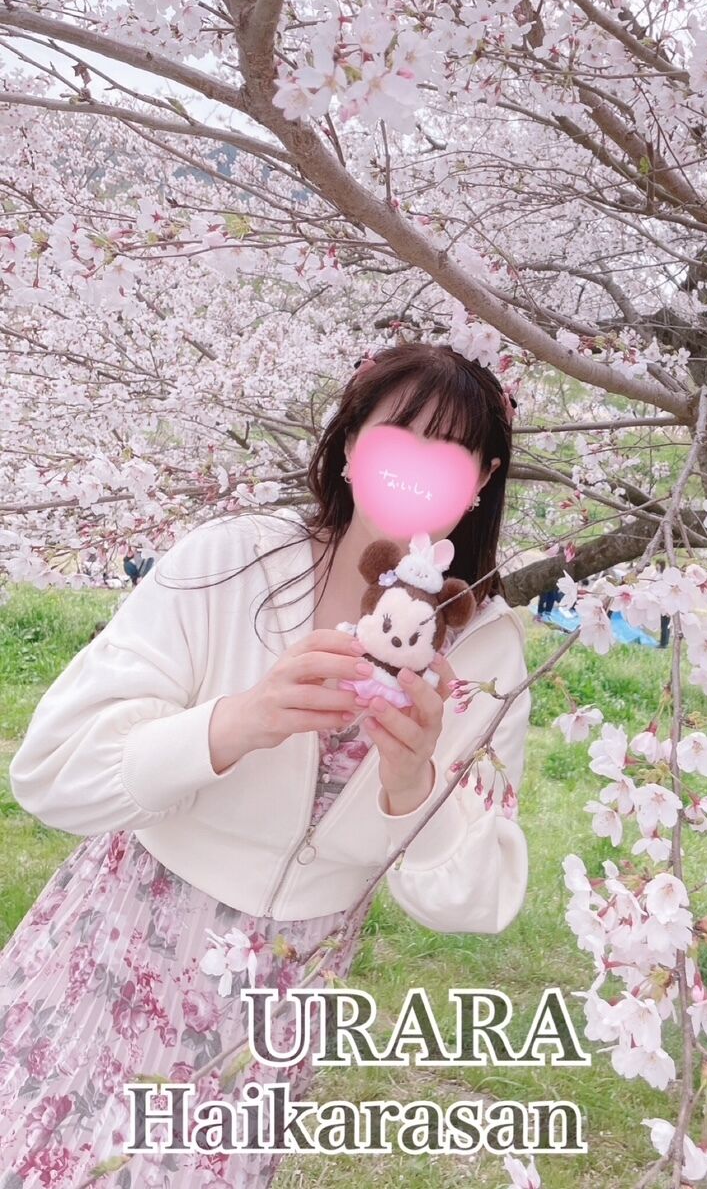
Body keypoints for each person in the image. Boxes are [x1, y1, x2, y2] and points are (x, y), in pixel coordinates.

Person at [0, 342, 531, 1185]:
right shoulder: (232, 560)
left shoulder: (488, 651)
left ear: (482, 478)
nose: (417, 468)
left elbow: (480, 899)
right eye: (397, 436)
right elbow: (50, 770)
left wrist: (413, 786)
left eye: (451, 450)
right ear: (349, 446)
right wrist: (237, 723)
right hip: (123, 938)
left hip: (282, 992)